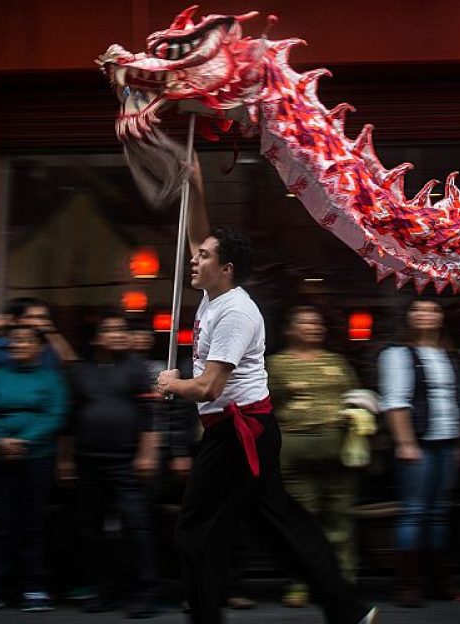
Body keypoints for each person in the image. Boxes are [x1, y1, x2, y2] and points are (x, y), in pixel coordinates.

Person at [155, 153, 377, 624]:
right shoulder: (215, 294)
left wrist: (174, 384)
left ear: (227, 268)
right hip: (239, 432)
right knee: (279, 526)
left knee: (196, 531)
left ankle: (209, 616)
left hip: (239, 433)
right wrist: (195, 183)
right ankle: (346, 608)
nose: (194, 259)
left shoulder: (236, 312)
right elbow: (198, 234)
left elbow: (211, 386)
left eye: (205, 257)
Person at [58, 312, 161, 618]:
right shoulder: (81, 371)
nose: (117, 334)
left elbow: (148, 415)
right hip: (88, 461)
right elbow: (69, 419)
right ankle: (105, 590)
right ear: (97, 337)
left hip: (128, 461)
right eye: (110, 329)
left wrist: (147, 454)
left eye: (121, 330)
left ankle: (146, 592)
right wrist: (64, 460)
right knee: (92, 530)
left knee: (136, 526)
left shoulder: (137, 368)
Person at [268, 305, 366, 608]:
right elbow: (263, 406)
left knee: (341, 517)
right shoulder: (275, 364)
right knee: (302, 520)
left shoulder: (337, 362)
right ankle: (302, 583)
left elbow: (356, 396)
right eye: (305, 321)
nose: (313, 326)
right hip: (293, 449)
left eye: (317, 321)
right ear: (289, 330)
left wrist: (360, 416)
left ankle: (343, 582)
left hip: (338, 448)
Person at [0, 324, 69, 614]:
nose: (20, 345)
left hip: (36, 457)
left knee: (33, 524)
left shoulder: (51, 379)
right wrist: (0, 439)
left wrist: (25, 440)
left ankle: (33, 587)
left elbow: (56, 414)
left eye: (26, 340)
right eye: (15, 341)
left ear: (40, 348)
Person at [379, 298, 460, 607]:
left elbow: (457, 402)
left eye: (432, 309)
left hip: (446, 440)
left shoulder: (449, 355)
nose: (425, 315)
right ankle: (407, 585)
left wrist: (459, 445)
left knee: (438, 514)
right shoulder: (397, 354)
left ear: (441, 317)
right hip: (419, 441)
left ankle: (438, 582)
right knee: (415, 512)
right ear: (408, 317)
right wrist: (405, 443)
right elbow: (394, 401)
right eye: (417, 310)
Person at [0, 298, 76, 379]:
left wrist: (52, 332)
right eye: (31, 317)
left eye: (43, 317)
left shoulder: (49, 349)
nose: (39, 322)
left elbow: (73, 367)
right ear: (13, 320)